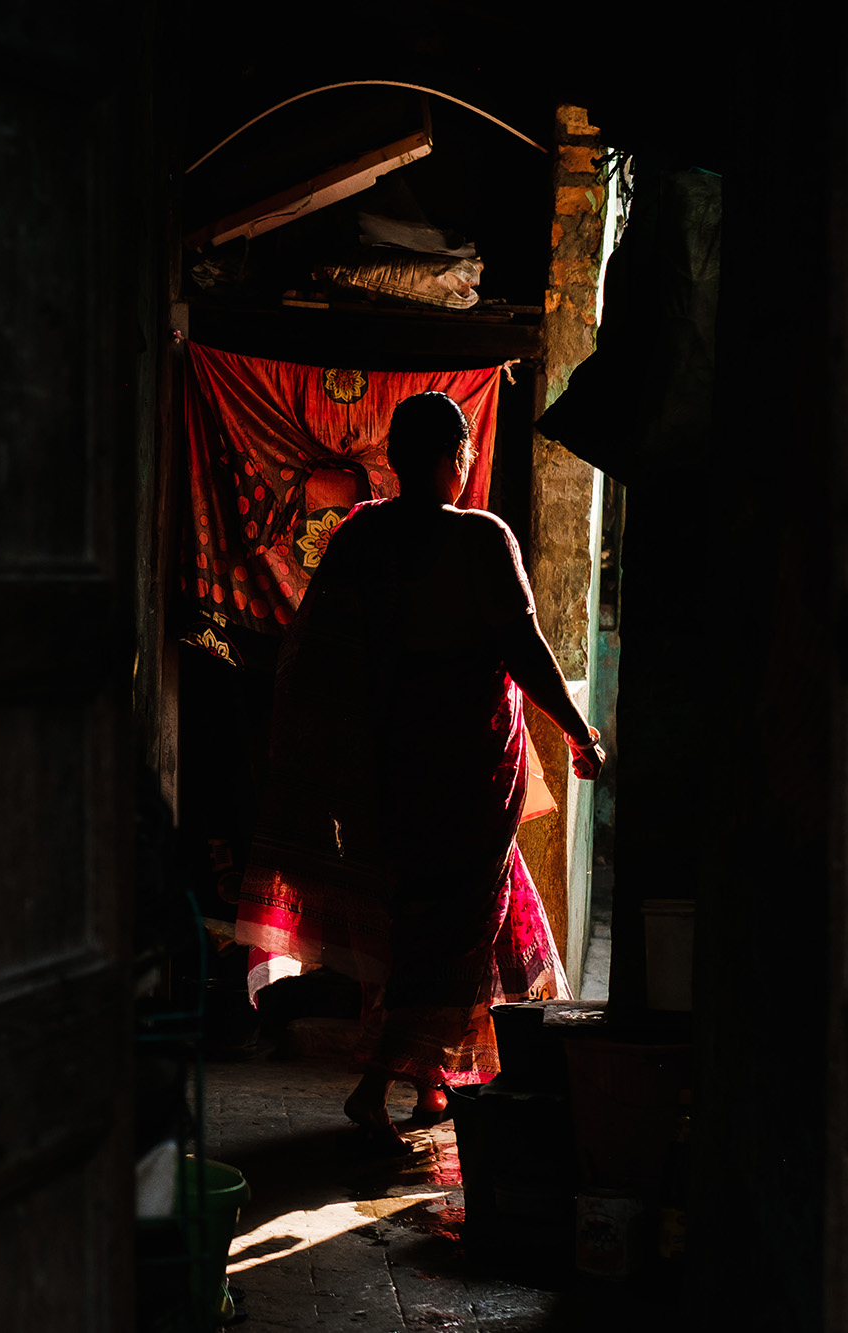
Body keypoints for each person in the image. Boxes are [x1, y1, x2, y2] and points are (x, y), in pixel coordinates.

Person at [234, 391, 604, 1151]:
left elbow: (319, 655)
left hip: (392, 768)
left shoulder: (362, 536)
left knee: (422, 926)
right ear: (451, 458)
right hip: (465, 773)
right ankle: (373, 1087)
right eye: (464, 455)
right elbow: (526, 648)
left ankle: (434, 1082)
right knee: (452, 933)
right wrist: (578, 733)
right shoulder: (480, 539)